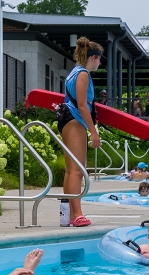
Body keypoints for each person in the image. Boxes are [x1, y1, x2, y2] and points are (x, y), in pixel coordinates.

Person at [58, 37, 102, 227]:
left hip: (66, 120)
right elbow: (83, 106)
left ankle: (68, 215)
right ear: (93, 58)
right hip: (75, 121)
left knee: (70, 171)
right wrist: (93, 132)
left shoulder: (73, 72)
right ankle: (77, 214)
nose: (100, 63)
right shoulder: (83, 74)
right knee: (77, 171)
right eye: (100, 59)